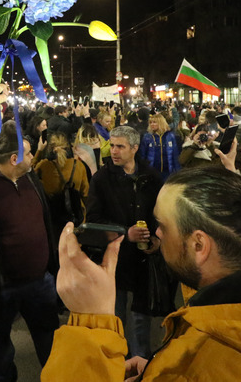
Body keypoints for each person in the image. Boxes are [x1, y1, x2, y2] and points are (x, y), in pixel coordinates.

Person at [43, 165, 241, 381]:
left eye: (163, 225)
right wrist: (157, 369)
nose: (158, 234)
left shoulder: (206, 362)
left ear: (198, 245)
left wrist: (90, 321)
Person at [0, 121, 60, 382]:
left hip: (41, 282)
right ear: (14, 158)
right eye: (28, 153)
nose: (32, 156)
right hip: (1, 288)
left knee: (51, 342)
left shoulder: (31, 177)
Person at [84, 124, 164, 360]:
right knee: (115, 314)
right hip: (114, 259)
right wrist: (124, 233)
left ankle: (141, 359)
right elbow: (94, 220)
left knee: (142, 315)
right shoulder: (101, 180)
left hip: (143, 258)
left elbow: (161, 215)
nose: (114, 151)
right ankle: (118, 358)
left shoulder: (151, 177)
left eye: (120, 146)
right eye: (112, 145)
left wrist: (157, 239)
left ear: (135, 148)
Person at [34, 131, 90, 245]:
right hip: (76, 219)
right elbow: (86, 194)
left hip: (53, 220)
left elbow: (28, 173)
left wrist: (39, 151)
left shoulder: (43, 166)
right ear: (68, 147)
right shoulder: (78, 166)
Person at [140, 113, 181, 182]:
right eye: (150, 122)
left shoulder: (170, 136)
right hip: (152, 171)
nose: (152, 124)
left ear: (161, 123)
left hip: (168, 171)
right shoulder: (147, 137)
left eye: (154, 122)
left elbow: (175, 154)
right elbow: (142, 155)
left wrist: (178, 171)